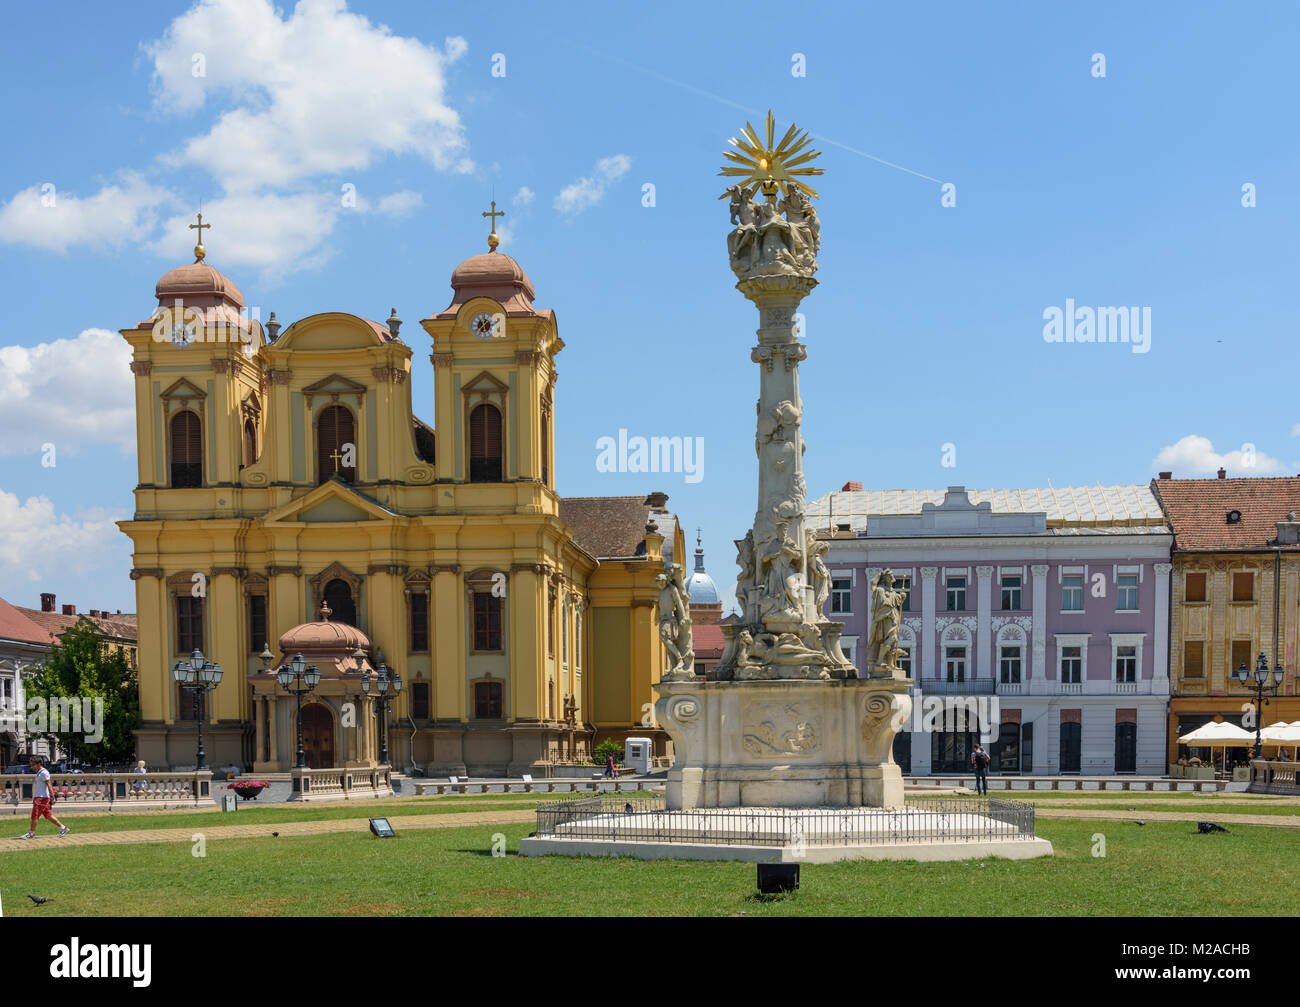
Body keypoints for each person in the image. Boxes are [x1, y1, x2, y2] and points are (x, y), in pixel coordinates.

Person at [18, 755, 69, 839]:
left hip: (42, 798)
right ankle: (63, 828)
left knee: (35, 815)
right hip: (40, 797)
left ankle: (31, 833)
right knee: (48, 815)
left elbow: (49, 785)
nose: (32, 766)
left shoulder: (44, 772)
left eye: (33, 764)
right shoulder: (39, 772)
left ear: (38, 764)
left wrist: (52, 797)